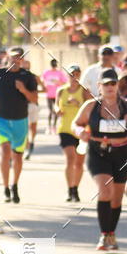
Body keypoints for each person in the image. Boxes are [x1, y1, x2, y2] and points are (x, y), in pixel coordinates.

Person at [72, 67, 127, 250]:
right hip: (98, 153)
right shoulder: (91, 106)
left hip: (122, 155)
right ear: (99, 87)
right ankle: (104, 236)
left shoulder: (126, 106)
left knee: (117, 198)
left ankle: (111, 233)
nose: (110, 87)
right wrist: (80, 132)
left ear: (118, 85)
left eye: (113, 83)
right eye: (106, 84)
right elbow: (76, 124)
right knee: (106, 190)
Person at [0, 46, 38, 203]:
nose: (15, 59)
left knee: (18, 156)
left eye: (18, 57)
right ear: (8, 58)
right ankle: (5, 187)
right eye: (13, 57)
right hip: (1, 119)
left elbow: (34, 99)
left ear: (22, 59)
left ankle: (14, 185)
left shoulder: (28, 77)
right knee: (5, 151)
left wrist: (23, 89)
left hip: (20, 120)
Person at [55, 65, 88, 202]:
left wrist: (78, 104)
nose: (74, 77)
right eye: (71, 74)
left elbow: (91, 110)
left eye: (76, 74)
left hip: (81, 130)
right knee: (70, 158)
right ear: (67, 75)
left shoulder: (85, 91)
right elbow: (56, 105)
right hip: (65, 129)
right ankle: (69, 189)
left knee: (79, 163)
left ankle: (75, 189)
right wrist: (57, 110)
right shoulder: (61, 91)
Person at [22, 58, 44, 159]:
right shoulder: (19, 77)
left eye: (28, 64)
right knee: (25, 127)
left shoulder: (35, 77)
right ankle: (27, 149)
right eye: (25, 64)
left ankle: (32, 142)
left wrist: (34, 93)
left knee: (33, 127)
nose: (26, 66)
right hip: (23, 105)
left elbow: (44, 89)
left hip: (33, 104)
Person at [42, 59, 68, 132]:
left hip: (57, 95)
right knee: (51, 111)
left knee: (56, 111)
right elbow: (42, 81)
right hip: (49, 95)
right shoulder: (46, 72)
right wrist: (44, 87)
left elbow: (65, 83)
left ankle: (54, 126)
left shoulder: (60, 73)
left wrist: (58, 82)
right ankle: (49, 126)